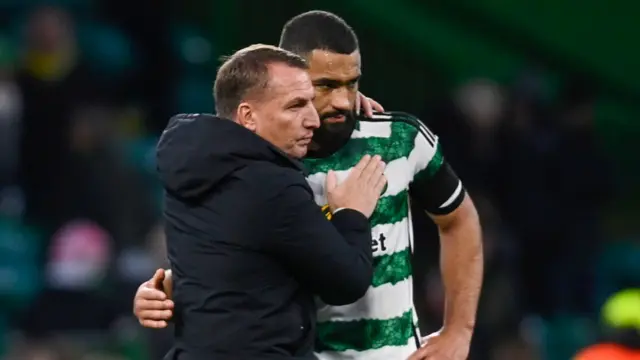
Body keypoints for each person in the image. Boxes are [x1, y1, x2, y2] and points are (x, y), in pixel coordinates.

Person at [135, 11, 483, 360]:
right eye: (326, 86)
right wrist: (164, 291)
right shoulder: (259, 165)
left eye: (352, 83)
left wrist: (459, 329)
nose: (343, 102)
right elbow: (231, 260)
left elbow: (459, 220)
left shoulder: (396, 139)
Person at [157, 43, 388, 359]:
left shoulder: (186, 163)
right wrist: (351, 212)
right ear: (248, 116)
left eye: (311, 103)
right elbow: (347, 281)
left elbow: (230, 262)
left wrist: (166, 285)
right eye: (295, 106)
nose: (313, 120)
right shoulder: (270, 184)